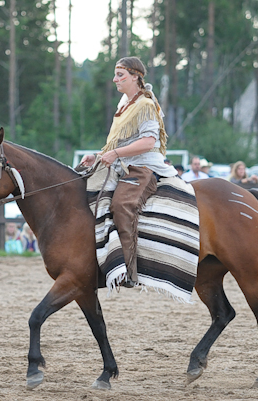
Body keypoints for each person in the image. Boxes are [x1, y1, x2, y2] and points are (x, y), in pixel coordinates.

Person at [79, 56, 179, 287]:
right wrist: (98, 155)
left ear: (136, 77)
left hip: (143, 166)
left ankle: (128, 270)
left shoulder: (145, 104)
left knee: (121, 206)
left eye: (120, 75)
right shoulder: (124, 102)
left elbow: (148, 141)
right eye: (115, 75)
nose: (115, 80)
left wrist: (116, 154)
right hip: (122, 163)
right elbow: (118, 143)